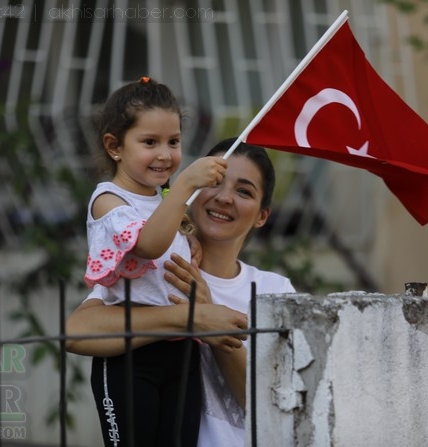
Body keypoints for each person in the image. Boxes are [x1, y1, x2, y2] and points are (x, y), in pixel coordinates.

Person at [67, 138, 296, 447]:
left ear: (261, 216)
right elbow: (77, 333)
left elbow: (274, 408)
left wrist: (211, 319)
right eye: (214, 182)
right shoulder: (156, 270)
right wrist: (189, 317)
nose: (225, 198)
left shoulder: (275, 290)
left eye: (244, 191)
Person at [83, 76, 227, 447]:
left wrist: (188, 233)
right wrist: (183, 187)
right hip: (132, 355)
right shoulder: (108, 200)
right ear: (114, 147)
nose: (165, 155)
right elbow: (146, 245)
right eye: (150, 142)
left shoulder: (162, 199)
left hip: (182, 351)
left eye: (173, 142)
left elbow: (165, 235)